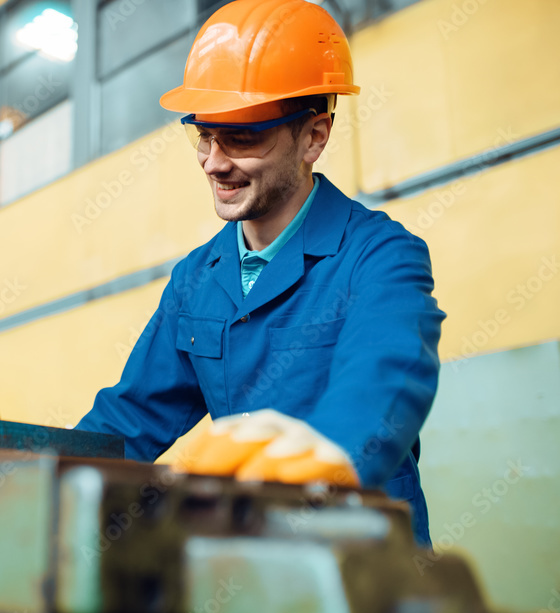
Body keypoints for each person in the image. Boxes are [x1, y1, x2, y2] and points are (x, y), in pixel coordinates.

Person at [76, 0, 444, 546]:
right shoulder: (196, 281)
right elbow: (127, 422)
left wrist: (328, 461)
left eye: (243, 137)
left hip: (368, 567)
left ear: (314, 136)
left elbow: (386, 376)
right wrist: (22, 475)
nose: (213, 162)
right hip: (246, 563)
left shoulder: (380, 255)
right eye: (203, 135)